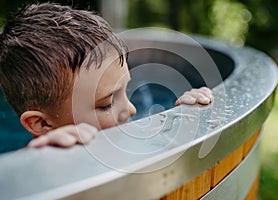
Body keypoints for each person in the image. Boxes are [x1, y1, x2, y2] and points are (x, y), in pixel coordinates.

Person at [0, 3, 213, 149]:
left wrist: (180, 122)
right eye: (106, 104)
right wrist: (36, 158)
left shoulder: (120, 138)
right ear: (41, 124)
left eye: (125, 91)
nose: (131, 109)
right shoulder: (31, 172)